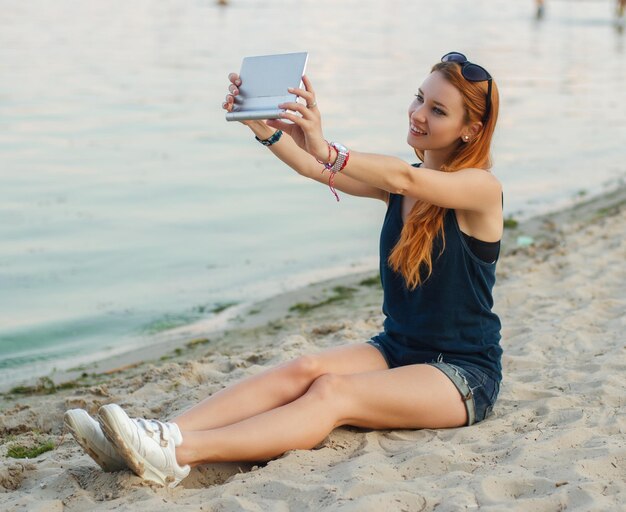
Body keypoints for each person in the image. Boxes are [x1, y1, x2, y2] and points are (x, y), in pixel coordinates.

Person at [64, 52, 503, 488]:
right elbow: (314, 168)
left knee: (333, 392)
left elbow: (396, 178)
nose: (418, 114)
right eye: (419, 99)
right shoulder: (399, 183)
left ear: (471, 130)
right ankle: (154, 436)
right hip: (398, 348)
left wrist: (327, 146)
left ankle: (179, 454)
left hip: (461, 373)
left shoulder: (481, 190)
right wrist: (266, 128)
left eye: (438, 110)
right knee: (304, 368)